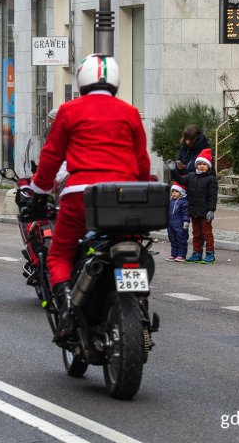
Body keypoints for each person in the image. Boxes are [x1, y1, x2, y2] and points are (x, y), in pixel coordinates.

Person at [26, 54, 150, 342]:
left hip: (81, 195)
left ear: (81, 80)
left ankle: (68, 308)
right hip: (124, 197)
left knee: (59, 254)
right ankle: (139, 302)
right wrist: (142, 189)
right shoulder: (129, 112)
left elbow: (51, 156)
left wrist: (38, 191)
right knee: (134, 245)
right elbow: (142, 160)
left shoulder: (69, 111)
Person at [171, 150, 218, 262]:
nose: (201, 166)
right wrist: (173, 170)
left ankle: (210, 254)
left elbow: (212, 197)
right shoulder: (191, 176)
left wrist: (211, 210)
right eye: (199, 164)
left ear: (208, 166)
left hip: (205, 211)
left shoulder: (211, 179)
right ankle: (197, 253)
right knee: (196, 233)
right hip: (194, 210)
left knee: (207, 233)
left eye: (204, 164)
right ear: (196, 165)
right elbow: (180, 180)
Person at [166, 182, 190, 261]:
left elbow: (185, 213)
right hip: (171, 224)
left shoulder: (184, 202)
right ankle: (174, 254)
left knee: (181, 239)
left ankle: (181, 255)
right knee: (172, 239)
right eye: (173, 191)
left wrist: (186, 221)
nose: (174, 193)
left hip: (180, 225)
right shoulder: (170, 201)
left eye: (176, 191)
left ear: (181, 193)